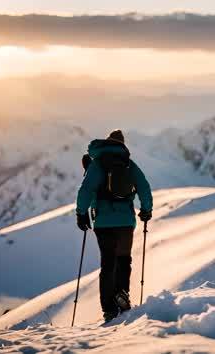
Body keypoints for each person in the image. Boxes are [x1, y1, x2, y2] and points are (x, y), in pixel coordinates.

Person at [76, 130, 153, 321]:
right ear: (122, 145)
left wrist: (81, 213)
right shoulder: (129, 164)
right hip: (126, 221)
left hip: (103, 222)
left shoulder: (97, 164)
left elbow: (86, 190)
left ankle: (109, 308)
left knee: (108, 263)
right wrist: (146, 210)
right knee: (124, 260)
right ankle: (122, 295)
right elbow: (144, 187)